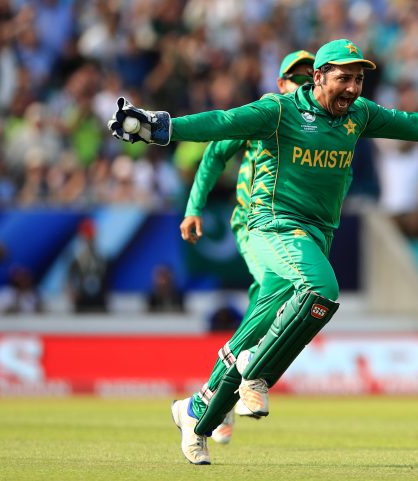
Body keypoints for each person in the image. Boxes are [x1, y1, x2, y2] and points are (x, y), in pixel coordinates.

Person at [108, 38, 418, 465]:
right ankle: (257, 375)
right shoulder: (277, 110)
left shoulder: (359, 115)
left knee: (261, 327)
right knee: (322, 289)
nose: (353, 88)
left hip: (315, 232)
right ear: (318, 77)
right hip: (272, 227)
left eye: (359, 79)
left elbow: (416, 125)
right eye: (344, 78)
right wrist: (160, 128)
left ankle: (196, 414)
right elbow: (218, 126)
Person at [179, 49, 317, 447]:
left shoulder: (317, 123)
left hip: (294, 228)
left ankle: (208, 400)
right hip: (255, 225)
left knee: (267, 305)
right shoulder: (269, 113)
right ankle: (227, 390)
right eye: (296, 78)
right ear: (280, 84)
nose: (304, 85)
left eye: (311, 78)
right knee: (284, 287)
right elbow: (214, 152)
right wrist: (194, 207)